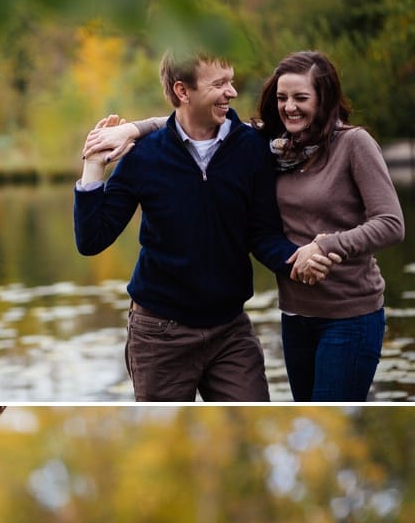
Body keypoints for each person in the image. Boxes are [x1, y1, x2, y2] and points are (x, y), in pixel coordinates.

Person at [84, 49, 404, 403]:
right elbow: (92, 239)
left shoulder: (255, 147)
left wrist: (306, 256)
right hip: (166, 331)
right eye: (220, 83)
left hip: (240, 329)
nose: (232, 92)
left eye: (231, 81)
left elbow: (263, 233)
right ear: (183, 91)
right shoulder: (150, 155)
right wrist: (100, 161)